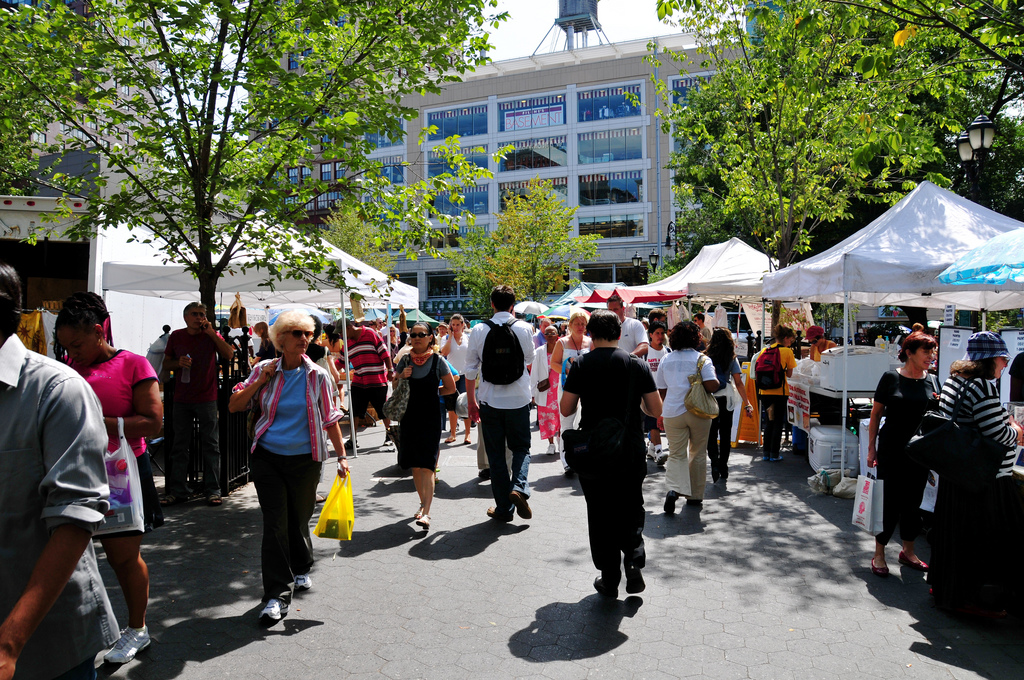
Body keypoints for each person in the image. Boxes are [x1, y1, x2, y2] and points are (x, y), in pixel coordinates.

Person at [0, 262, 119, 680]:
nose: (73, 351)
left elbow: (75, 518)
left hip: (47, 641)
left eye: (78, 343)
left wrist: (9, 642)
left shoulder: (57, 389)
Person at [54, 293, 164, 664]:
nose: (72, 352)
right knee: (67, 559)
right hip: (74, 475)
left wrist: (98, 423)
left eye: (77, 344)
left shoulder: (132, 364)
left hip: (122, 478)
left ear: (99, 332)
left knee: (122, 558)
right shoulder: (66, 368)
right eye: (65, 346)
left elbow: (152, 421)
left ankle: (137, 629)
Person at [229, 311, 348, 626]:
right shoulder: (263, 371)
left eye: (307, 333)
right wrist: (261, 381)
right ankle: (275, 595)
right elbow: (235, 405)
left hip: (306, 460)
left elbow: (331, 418)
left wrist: (342, 457)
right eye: (296, 333)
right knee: (275, 524)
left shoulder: (317, 375)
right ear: (280, 339)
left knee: (298, 519)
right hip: (267, 458)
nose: (304, 338)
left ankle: (302, 566)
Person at [560, 310, 662, 598]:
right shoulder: (636, 365)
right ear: (620, 333)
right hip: (629, 449)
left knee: (601, 512)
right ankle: (633, 561)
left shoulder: (581, 364)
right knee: (631, 506)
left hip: (594, 452)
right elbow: (656, 410)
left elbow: (566, 409)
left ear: (590, 334)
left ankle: (609, 576)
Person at [928, 332, 1024, 618]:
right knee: (985, 540)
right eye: (1003, 359)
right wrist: (1016, 431)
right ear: (990, 359)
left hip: (958, 474)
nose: (1005, 364)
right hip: (982, 479)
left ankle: (949, 589)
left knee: (955, 536)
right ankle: (974, 598)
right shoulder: (981, 386)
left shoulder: (955, 380)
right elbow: (996, 433)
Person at [865, 330, 939, 578]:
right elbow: (875, 414)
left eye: (932, 350)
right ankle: (879, 553)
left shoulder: (933, 381)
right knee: (889, 502)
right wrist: (871, 447)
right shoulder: (890, 378)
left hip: (920, 453)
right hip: (891, 449)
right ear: (909, 352)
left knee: (913, 503)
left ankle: (908, 551)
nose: (931, 355)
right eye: (926, 351)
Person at [464, 285, 537, 523]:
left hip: (489, 401)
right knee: (521, 448)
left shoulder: (479, 329)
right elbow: (528, 359)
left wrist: (472, 402)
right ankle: (519, 487)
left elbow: (470, 369)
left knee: (495, 455)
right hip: (518, 400)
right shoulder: (525, 328)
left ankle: (503, 508)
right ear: (513, 305)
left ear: (492, 304)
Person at [161, 301, 235, 507]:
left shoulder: (210, 335)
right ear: (186, 317)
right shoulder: (176, 336)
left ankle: (213, 490)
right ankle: (178, 491)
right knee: (179, 446)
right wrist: (178, 363)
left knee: (211, 444)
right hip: (182, 398)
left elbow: (229, 354)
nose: (199, 317)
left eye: (202, 314)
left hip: (207, 397)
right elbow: (165, 363)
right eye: (194, 314)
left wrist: (212, 333)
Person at [393, 322, 457, 530]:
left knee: (428, 464)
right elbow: (394, 385)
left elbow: (450, 388)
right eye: (414, 334)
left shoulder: (438, 361)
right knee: (415, 464)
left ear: (431, 337)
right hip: (409, 417)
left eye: (422, 334)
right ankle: (422, 504)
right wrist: (401, 376)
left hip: (430, 417)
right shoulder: (404, 360)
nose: (417, 337)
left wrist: (432, 394)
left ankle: (426, 512)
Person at [656, 321, 720, 512]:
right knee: (698, 453)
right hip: (698, 412)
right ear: (696, 338)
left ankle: (674, 489)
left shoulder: (666, 360)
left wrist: (662, 412)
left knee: (676, 454)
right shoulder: (702, 359)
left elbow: (661, 389)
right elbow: (712, 384)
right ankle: (694, 495)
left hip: (672, 412)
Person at [705, 328, 754, 482]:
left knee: (711, 433)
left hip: (710, 398)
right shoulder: (731, 358)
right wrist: (747, 403)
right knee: (725, 434)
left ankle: (714, 462)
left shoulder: (706, 357)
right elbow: (738, 383)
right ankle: (723, 466)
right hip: (726, 399)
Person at [550, 308, 592, 475]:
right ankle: (566, 460)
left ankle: (582, 456)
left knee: (585, 422)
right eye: (577, 324)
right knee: (566, 422)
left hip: (587, 388)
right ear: (571, 325)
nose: (580, 326)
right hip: (567, 387)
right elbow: (554, 363)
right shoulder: (562, 342)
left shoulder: (590, 342)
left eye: (583, 324)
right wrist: (567, 370)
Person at [344, 316, 396, 448]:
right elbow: (341, 360)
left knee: (382, 410)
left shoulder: (370, 333)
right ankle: (352, 439)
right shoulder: (347, 341)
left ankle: (389, 436)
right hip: (359, 380)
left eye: (342, 332)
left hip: (376, 379)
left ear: (349, 328)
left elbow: (385, 353)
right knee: (355, 410)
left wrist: (390, 370)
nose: (341, 335)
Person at [754, 325, 798, 462]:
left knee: (769, 422)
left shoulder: (765, 350)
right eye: (791, 340)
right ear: (785, 338)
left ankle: (766, 453)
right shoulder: (787, 352)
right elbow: (790, 374)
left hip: (764, 391)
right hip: (780, 392)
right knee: (778, 422)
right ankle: (774, 454)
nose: (791, 342)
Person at [441, 313, 472, 445]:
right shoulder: (446, 338)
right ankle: (453, 433)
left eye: (458, 324)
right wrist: (450, 337)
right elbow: (444, 353)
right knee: (452, 405)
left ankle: (467, 433)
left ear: (463, 325)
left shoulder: (468, 338)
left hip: (465, 374)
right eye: (453, 325)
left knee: (466, 404)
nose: (455, 327)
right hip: (451, 376)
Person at [531, 325, 562, 455]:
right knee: (547, 418)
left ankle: (560, 441)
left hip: (559, 389)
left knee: (561, 417)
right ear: (544, 336)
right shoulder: (539, 352)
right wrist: (532, 393)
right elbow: (534, 373)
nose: (550, 335)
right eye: (547, 333)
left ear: (557, 335)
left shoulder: (562, 350)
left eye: (552, 333)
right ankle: (551, 444)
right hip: (546, 390)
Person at [644, 321, 671, 465]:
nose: (660, 336)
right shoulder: (645, 352)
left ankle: (652, 448)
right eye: (657, 333)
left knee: (663, 421)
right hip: (649, 393)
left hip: (666, 393)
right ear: (650, 335)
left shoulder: (668, 351)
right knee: (653, 422)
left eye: (662, 333)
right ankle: (660, 451)